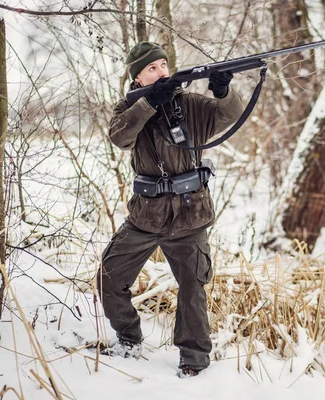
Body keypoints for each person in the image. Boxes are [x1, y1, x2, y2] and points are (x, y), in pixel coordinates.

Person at [97, 41, 243, 377]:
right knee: (109, 277)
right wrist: (149, 103)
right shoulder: (129, 109)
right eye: (152, 68)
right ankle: (129, 338)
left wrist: (223, 90)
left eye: (164, 65)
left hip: (191, 214)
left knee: (193, 289)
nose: (162, 72)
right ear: (138, 79)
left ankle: (194, 361)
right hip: (146, 216)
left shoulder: (188, 103)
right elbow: (119, 137)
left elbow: (228, 115)